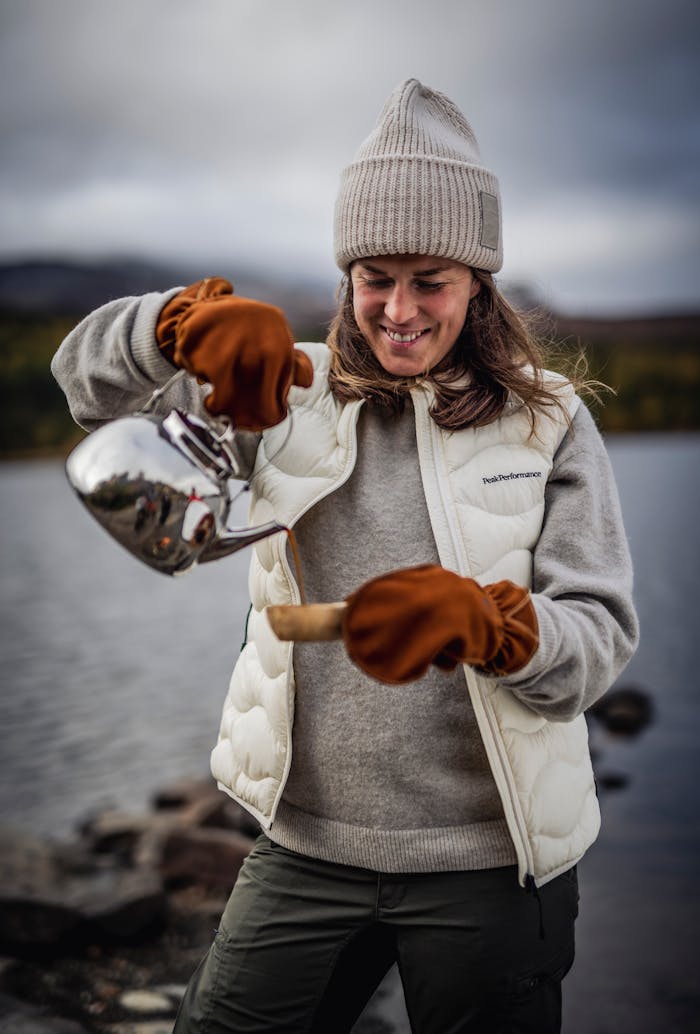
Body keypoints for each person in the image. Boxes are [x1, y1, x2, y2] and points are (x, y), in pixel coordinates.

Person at [52, 78, 639, 1033]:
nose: (398, 310)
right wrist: (170, 331)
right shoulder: (288, 390)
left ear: (477, 284)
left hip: (492, 863)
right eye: (375, 278)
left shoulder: (549, 422)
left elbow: (600, 636)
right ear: (346, 278)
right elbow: (86, 393)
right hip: (306, 848)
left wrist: (497, 628)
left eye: (428, 280)